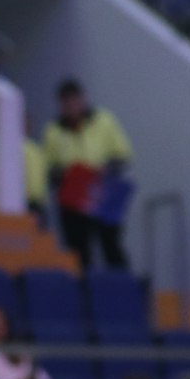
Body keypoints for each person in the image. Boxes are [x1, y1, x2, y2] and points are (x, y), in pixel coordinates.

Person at [40, 79, 132, 271]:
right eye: (66, 102)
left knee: (111, 244)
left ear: (83, 99)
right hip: (72, 198)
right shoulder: (53, 130)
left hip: (103, 192)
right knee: (77, 250)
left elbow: (123, 154)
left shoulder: (104, 121)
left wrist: (103, 170)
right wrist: (66, 175)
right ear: (60, 104)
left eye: (74, 100)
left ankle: (121, 285)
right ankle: (83, 287)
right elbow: (48, 167)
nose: (71, 106)